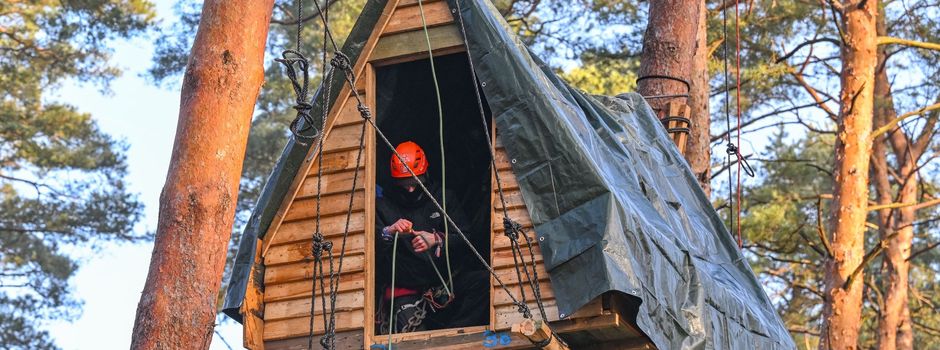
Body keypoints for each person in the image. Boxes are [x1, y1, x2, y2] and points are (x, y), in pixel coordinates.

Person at [375, 141, 489, 334]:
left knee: (484, 282)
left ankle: (454, 339)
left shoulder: (443, 198)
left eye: (414, 181)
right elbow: (371, 251)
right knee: (413, 335)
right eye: (404, 183)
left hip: (447, 283)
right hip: (407, 290)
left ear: (425, 173)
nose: (410, 189)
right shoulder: (383, 207)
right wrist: (389, 231)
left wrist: (437, 239)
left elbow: (466, 239)